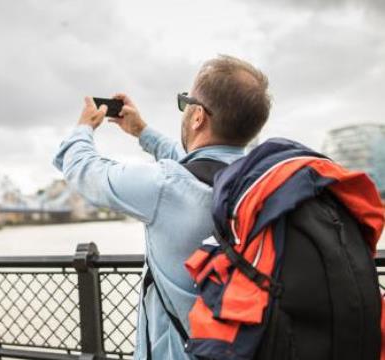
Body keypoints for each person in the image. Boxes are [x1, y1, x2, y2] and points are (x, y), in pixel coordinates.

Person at [52, 55, 271, 359]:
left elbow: (85, 172)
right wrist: (142, 132)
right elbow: (200, 162)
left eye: (186, 102)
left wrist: (83, 129)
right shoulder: (261, 179)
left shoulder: (165, 186)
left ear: (197, 117)